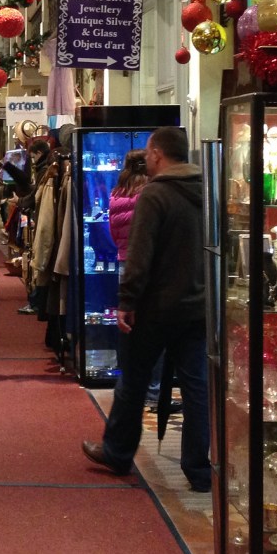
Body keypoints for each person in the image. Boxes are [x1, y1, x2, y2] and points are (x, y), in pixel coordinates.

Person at [81, 126, 210, 492]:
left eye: (151, 152)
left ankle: (118, 452)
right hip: (198, 306)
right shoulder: (206, 190)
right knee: (196, 386)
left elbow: (139, 254)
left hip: (157, 307)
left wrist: (127, 301)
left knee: (134, 380)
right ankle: (200, 470)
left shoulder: (156, 195)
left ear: (158, 154)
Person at [109, 150, 177, 416]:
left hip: (124, 264)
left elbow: (115, 232)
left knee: (128, 329)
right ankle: (153, 391)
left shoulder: (118, 192)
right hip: (149, 266)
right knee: (154, 331)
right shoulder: (151, 192)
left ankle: (128, 389)